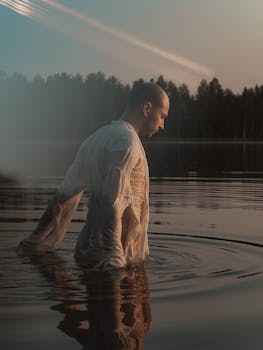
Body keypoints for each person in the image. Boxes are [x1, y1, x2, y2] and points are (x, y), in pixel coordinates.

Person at [16, 82, 170, 269]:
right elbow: (111, 198)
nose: (162, 125)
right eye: (162, 116)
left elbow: (63, 196)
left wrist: (34, 241)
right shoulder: (127, 141)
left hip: (88, 251)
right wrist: (114, 254)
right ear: (147, 108)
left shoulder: (94, 138)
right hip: (118, 259)